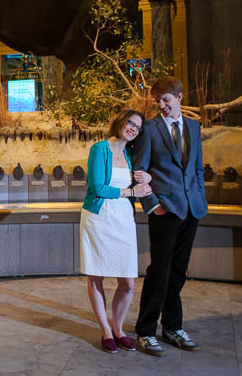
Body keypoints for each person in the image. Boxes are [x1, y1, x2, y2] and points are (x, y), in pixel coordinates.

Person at [133, 76, 208, 356]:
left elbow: (198, 168)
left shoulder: (194, 127)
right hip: (165, 210)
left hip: (191, 210)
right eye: (158, 101)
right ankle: (145, 330)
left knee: (178, 271)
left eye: (166, 99)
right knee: (159, 271)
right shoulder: (149, 130)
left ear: (179, 97)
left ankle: (172, 327)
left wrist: (199, 197)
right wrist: (154, 205)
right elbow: (139, 172)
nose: (161, 105)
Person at [81, 108, 153, 354]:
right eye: (130, 123)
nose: (133, 128)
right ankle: (106, 331)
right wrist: (132, 192)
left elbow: (140, 180)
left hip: (123, 218)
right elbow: (98, 187)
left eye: (138, 127)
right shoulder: (99, 149)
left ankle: (119, 328)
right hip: (99, 216)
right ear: (120, 122)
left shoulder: (132, 153)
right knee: (96, 276)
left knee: (128, 282)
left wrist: (148, 177)